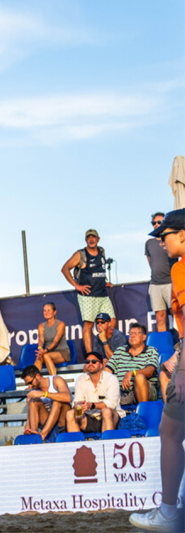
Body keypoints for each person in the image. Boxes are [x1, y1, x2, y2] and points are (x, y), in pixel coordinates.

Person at [131, 209, 185, 531]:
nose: (160, 243)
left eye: (164, 236)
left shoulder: (180, 270)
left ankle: (168, 512)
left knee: (170, 431)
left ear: (182, 235)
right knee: (170, 430)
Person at [61, 229, 115, 354]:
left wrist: (103, 281)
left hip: (102, 293)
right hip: (88, 295)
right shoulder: (80, 254)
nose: (91, 240)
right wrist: (77, 286)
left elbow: (99, 270)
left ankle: (106, 350)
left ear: (98, 239)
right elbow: (65, 269)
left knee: (111, 321)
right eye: (89, 238)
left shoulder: (101, 251)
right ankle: (91, 355)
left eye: (93, 237)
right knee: (89, 325)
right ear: (86, 240)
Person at [64, 352, 124, 435]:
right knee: (70, 413)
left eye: (94, 361)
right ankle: (77, 445)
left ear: (101, 365)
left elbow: (112, 404)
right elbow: (77, 401)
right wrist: (80, 406)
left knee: (106, 411)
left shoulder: (111, 379)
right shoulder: (80, 379)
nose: (90, 364)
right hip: (90, 418)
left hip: (111, 418)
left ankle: (107, 445)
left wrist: (91, 405)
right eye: (87, 362)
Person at [105, 324, 160, 405]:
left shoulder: (151, 351)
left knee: (139, 377)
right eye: (130, 333)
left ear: (144, 337)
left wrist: (131, 373)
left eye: (136, 333)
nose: (132, 336)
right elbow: (107, 371)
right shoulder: (120, 351)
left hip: (146, 391)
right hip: (121, 392)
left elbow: (150, 371)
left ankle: (143, 412)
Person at [21, 365, 72, 441]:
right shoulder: (34, 392)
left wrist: (44, 393)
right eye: (27, 384)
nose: (30, 386)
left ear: (38, 376)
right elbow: (29, 418)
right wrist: (27, 430)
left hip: (63, 420)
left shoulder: (56, 380)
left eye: (30, 382)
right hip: (48, 422)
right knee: (33, 401)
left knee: (57, 401)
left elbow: (67, 397)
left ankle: (42, 434)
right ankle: (33, 435)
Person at [147, 212, 177, 333]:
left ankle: (180, 343)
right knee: (160, 317)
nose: (156, 225)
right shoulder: (149, 243)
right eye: (154, 223)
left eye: (159, 222)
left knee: (176, 313)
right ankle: (163, 346)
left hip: (170, 282)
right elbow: (150, 262)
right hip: (155, 284)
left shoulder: (171, 239)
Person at [35, 302, 70, 376]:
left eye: (49, 310)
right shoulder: (41, 326)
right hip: (47, 352)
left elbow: (56, 341)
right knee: (39, 357)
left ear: (54, 312)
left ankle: (54, 380)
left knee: (45, 356)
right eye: (44, 310)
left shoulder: (61, 324)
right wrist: (40, 349)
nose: (46, 312)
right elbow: (41, 340)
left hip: (62, 352)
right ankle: (33, 383)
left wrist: (45, 351)